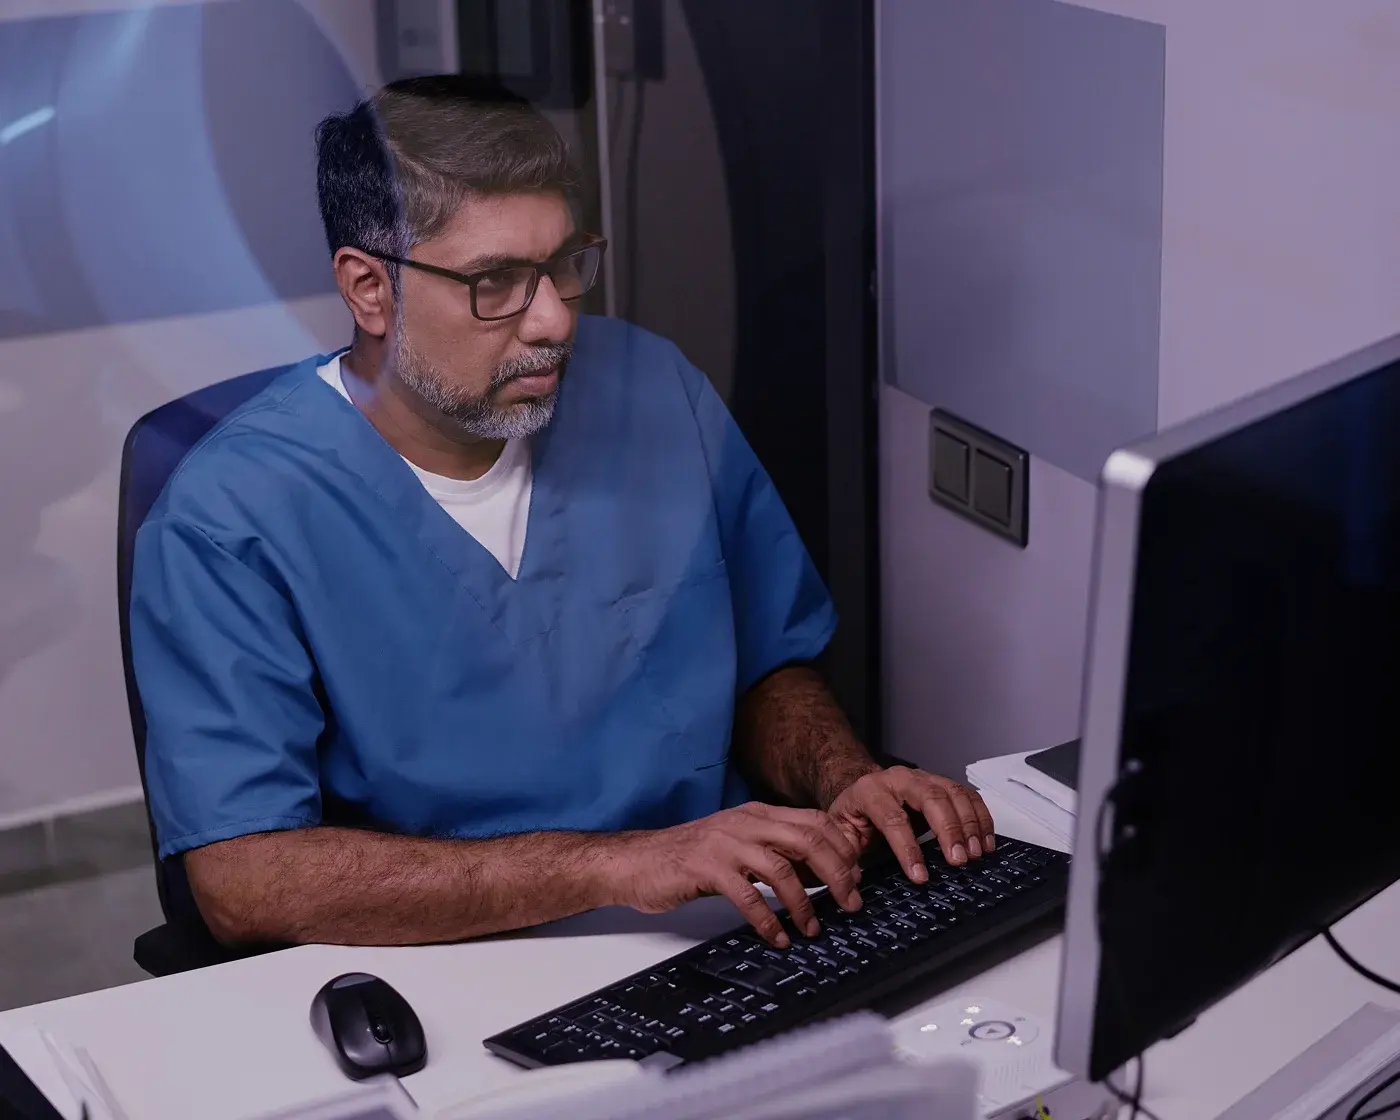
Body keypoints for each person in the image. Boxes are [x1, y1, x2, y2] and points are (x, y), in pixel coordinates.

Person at [129, 76, 995, 952]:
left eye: (564, 265)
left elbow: (764, 664)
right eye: (496, 281)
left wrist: (846, 777)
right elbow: (243, 879)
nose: (553, 321)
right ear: (369, 289)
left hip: (732, 924)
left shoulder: (655, 390)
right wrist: (619, 865)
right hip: (448, 967)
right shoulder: (230, 518)